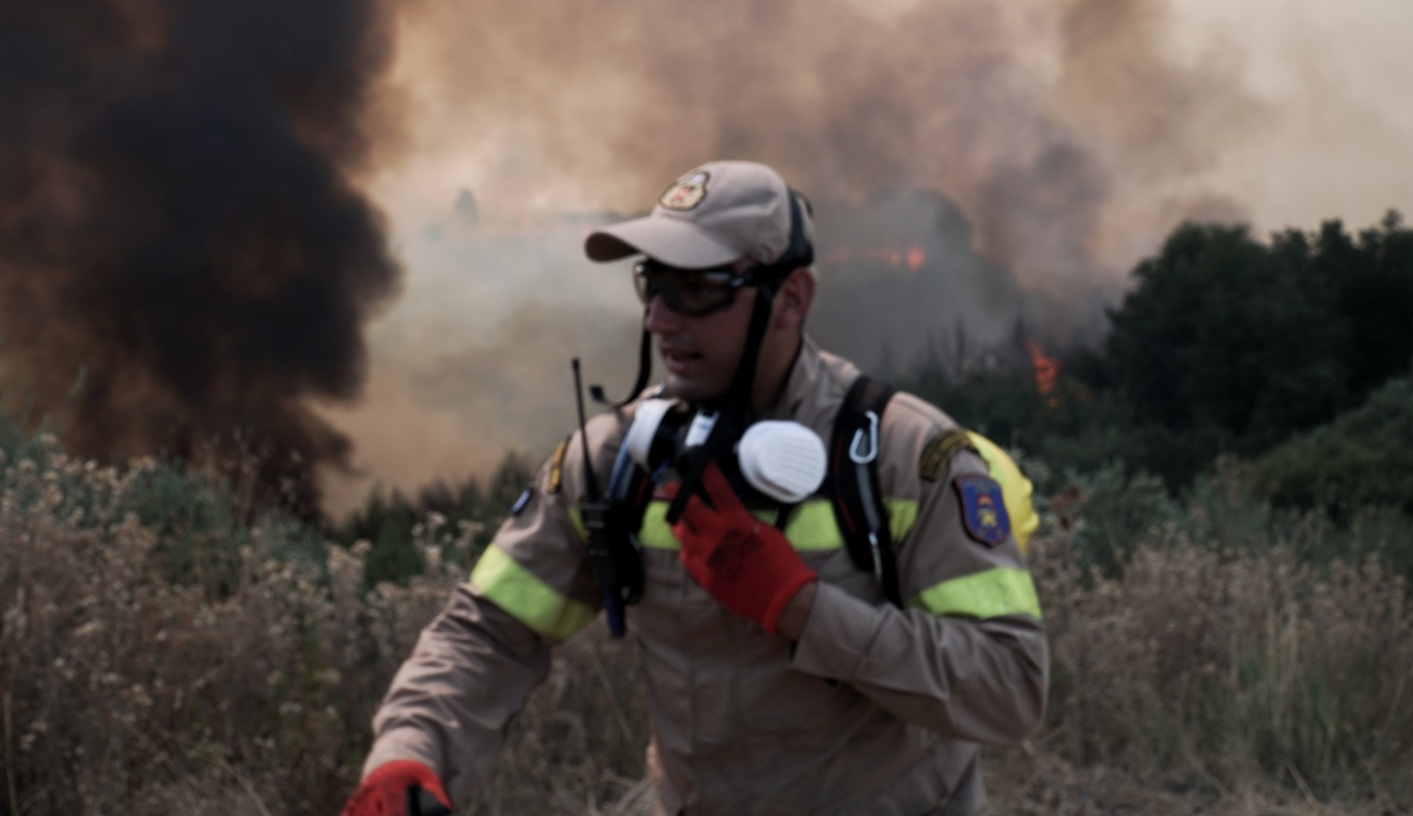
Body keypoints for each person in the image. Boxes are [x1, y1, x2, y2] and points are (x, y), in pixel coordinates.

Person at [342, 161, 1048, 816]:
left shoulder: (903, 457)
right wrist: (410, 752)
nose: (659, 320)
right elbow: (490, 631)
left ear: (790, 300)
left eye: (698, 290)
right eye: (654, 284)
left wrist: (800, 606)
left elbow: (1010, 689)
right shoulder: (617, 462)